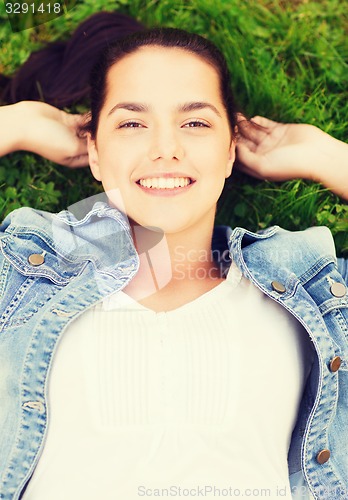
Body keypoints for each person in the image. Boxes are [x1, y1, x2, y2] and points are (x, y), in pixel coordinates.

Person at [0, 26, 347, 500]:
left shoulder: (316, 295)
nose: (166, 148)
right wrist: (16, 125)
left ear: (231, 151)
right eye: (131, 123)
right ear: (95, 153)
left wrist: (325, 157)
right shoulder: (19, 278)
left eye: (196, 123)